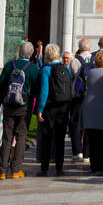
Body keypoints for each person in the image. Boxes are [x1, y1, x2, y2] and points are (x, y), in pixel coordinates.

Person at [0, 43, 40, 179]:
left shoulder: (9, 65)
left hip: (9, 106)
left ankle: (2, 171)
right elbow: (37, 89)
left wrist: (3, 100)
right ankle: (16, 170)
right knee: (21, 137)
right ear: (31, 54)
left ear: (19, 51)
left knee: (7, 137)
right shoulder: (33, 68)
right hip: (24, 107)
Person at [35, 44, 74, 176]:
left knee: (47, 137)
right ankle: (59, 168)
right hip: (63, 107)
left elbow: (44, 91)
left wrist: (40, 109)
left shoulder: (46, 69)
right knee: (60, 138)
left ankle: (44, 168)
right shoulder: (66, 69)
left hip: (50, 107)